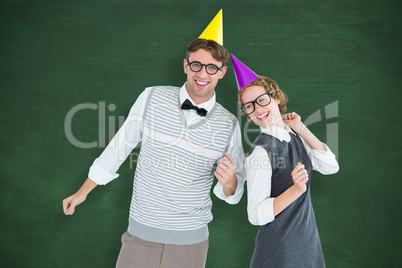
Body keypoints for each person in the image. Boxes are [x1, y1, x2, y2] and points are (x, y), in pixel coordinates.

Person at [63, 11, 245, 268]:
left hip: (191, 242)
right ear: (185, 66)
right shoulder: (152, 97)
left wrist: (230, 182)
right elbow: (118, 148)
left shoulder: (229, 124)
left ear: (222, 72)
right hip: (140, 234)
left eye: (212, 67)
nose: (202, 74)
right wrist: (83, 193)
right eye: (196, 65)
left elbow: (234, 190)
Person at [231, 54, 339, 267]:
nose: (258, 109)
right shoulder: (261, 153)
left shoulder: (294, 136)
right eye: (249, 106)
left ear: (277, 98)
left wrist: (301, 128)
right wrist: (295, 191)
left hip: (306, 243)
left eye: (262, 100)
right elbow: (255, 215)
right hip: (279, 252)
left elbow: (330, 166)